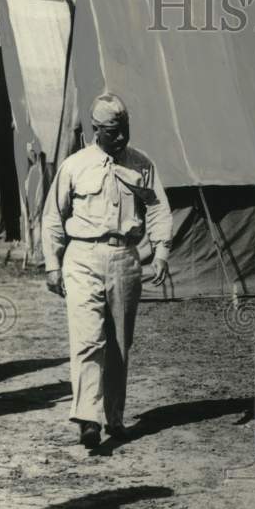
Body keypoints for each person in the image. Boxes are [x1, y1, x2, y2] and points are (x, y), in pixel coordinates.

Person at [42, 94, 172, 448]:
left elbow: (158, 208)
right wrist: (52, 265)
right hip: (83, 256)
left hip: (126, 258)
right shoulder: (74, 166)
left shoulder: (141, 164)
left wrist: (161, 251)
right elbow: (54, 216)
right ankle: (88, 418)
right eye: (114, 131)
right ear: (96, 130)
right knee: (87, 339)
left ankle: (114, 417)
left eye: (125, 129)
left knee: (119, 344)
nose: (121, 137)